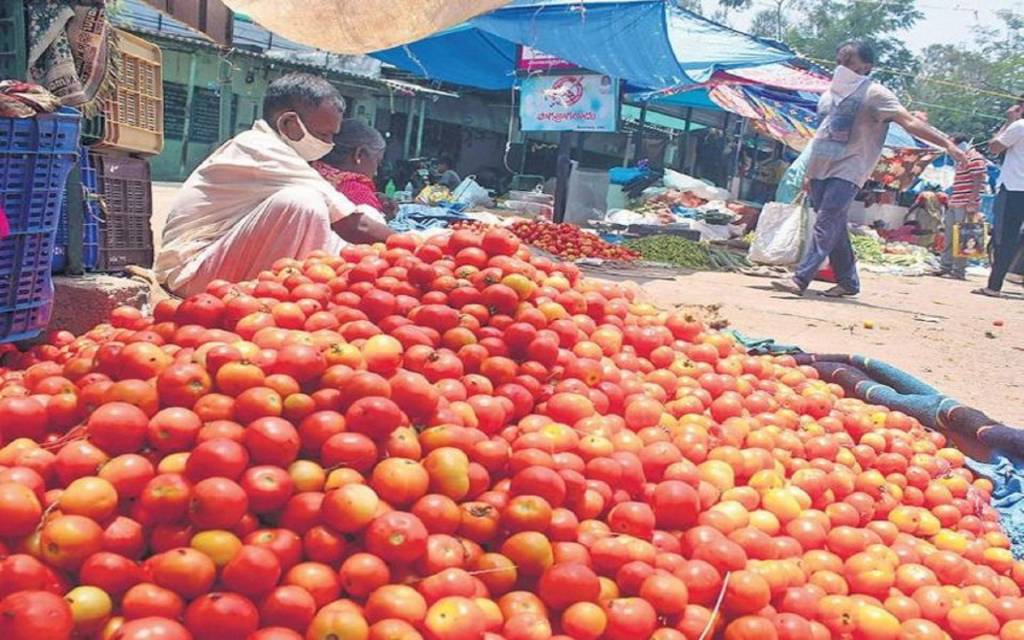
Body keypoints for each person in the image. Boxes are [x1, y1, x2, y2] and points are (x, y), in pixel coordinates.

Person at [155, 73, 388, 297]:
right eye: (323, 134)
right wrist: (414, 247)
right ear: (289, 122)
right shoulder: (261, 148)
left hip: (215, 263)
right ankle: (280, 296)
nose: (329, 144)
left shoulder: (273, 149)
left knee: (347, 220)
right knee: (302, 202)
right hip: (190, 273)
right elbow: (353, 225)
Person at [773, 40, 967, 298]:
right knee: (835, 225)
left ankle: (801, 278)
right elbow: (820, 135)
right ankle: (849, 282)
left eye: (849, 62)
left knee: (826, 221)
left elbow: (909, 122)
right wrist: (809, 173)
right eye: (839, 61)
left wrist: (947, 145)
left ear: (866, 66)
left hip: (851, 166)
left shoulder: (875, 94)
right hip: (820, 167)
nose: (841, 67)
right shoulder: (827, 95)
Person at [975, 98, 1024, 297]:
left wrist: (1009, 122)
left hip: (1015, 188)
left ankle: (994, 286)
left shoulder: (1019, 126)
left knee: (1004, 238)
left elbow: (994, 147)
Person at [313, 119, 398, 218]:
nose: (376, 173)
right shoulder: (356, 192)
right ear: (359, 154)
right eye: (377, 162)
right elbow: (372, 231)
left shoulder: (311, 172)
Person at [935, 134, 988, 280]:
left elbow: (978, 180)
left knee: (964, 237)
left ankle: (959, 271)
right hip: (955, 201)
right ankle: (945, 266)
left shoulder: (975, 158)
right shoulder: (960, 160)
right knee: (949, 236)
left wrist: (972, 201)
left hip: (965, 203)